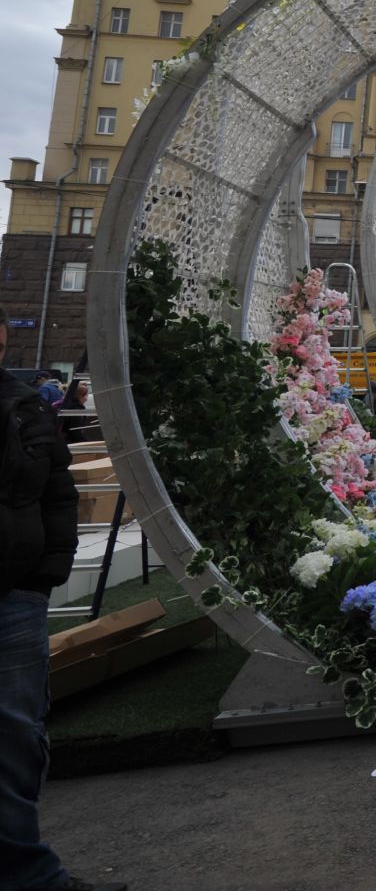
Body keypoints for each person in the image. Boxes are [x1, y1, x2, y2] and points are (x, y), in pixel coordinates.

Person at [3, 322, 122, 891]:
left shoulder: (21, 405)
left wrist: (45, 572)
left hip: (14, 593)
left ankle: (29, 876)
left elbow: (57, 487)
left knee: (16, 736)